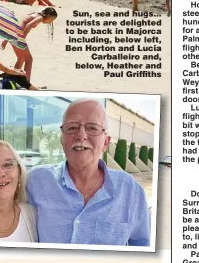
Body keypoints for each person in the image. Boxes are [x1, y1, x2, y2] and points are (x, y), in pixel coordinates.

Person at [27, 100, 150, 246]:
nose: (81, 135)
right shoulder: (37, 180)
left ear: (106, 142)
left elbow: (141, 246)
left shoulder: (130, 190)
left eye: (92, 128)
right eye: (72, 127)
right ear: (62, 140)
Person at [2, 8, 58, 84]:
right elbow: (28, 25)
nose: (50, 22)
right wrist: (22, 40)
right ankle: (26, 82)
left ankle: (12, 78)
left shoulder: (35, 14)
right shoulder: (40, 18)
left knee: (21, 58)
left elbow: (19, 25)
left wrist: (6, 39)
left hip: (13, 36)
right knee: (29, 59)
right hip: (18, 37)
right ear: (47, 15)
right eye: (51, 20)